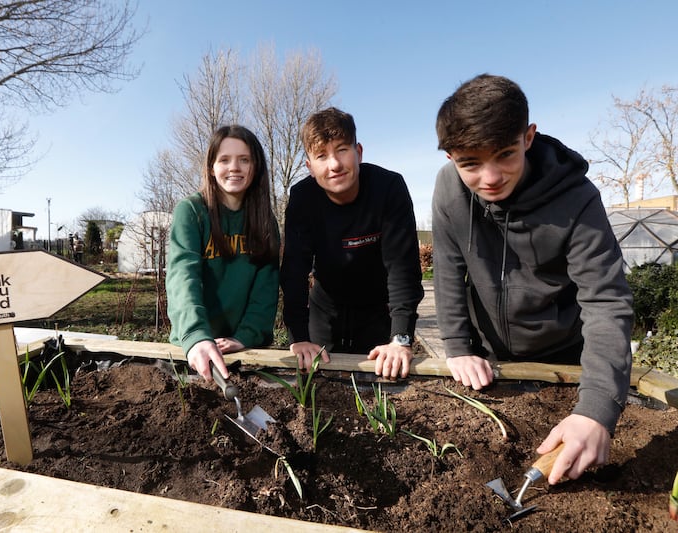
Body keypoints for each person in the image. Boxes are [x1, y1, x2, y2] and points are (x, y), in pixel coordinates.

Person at [432, 74, 633, 486]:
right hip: (489, 362)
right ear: (451, 157)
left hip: (565, 360)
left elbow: (606, 302)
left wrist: (595, 409)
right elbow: (449, 270)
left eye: (504, 154)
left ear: (528, 137)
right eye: (470, 162)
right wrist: (457, 347)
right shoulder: (448, 189)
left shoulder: (577, 199)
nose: (489, 177)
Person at [281, 107, 424, 379]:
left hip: (377, 312)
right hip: (324, 312)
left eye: (342, 150)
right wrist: (298, 336)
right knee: (319, 386)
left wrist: (401, 337)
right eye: (321, 156)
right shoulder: (302, 199)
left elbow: (402, 267)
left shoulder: (389, 188)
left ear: (358, 152)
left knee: (379, 385)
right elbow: (294, 271)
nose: (334, 164)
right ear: (310, 167)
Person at [167, 125, 280, 382]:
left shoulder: (265, 221)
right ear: (211, 167)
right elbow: (183, 277)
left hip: (246, 348)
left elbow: (266, 288)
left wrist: (245, 336)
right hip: (195, 346)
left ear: (256, 167)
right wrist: (196, 336)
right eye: (224, 160)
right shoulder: (192, 212)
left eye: (244, 159)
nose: (234, 168)